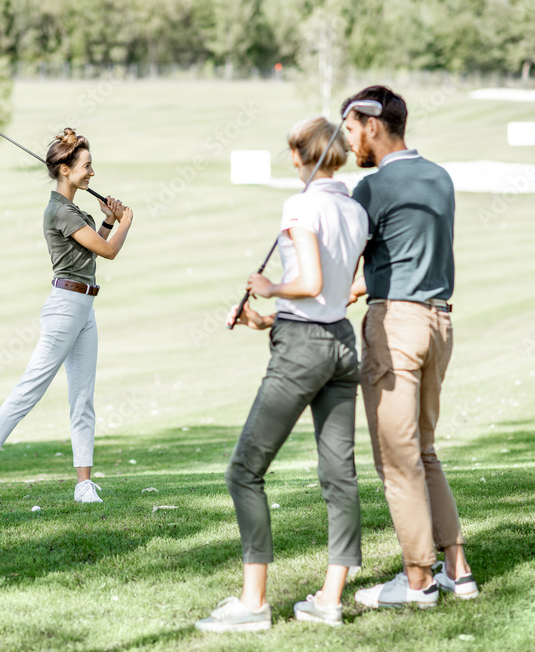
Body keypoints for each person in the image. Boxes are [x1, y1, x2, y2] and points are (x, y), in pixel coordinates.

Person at [196, 116, 368, 632]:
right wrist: (263, 317)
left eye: (291, 153)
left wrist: (270, 287)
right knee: (340, 474)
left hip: (302, 350)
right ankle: (330, 600)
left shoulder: (300, 204)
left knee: (243, 470)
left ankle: (253, 606)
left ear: (301, 155)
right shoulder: (356, 210)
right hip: (341, 344)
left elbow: (310, 280)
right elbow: (336, 293)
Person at [342, 85, 478, 609]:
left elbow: (343, 269)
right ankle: (456, 568)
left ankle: (418, 581)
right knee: (423, 450)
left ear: (373, 125)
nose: (350, 141)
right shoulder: (439, 177)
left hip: (395, 327)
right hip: (438, 324)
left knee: (396, 461)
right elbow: (402, 257)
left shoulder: (371, 188)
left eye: (352, 129)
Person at [0, 128, 133, 505]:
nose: (91, 173)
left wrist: (105, 220)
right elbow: (107, 251)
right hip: (65, 308)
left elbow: (89, 251)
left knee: (83, 397)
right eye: (86, 166)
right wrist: (124, 223)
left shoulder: (75, 211)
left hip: (84, 307)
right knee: (30, 389)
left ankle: (84, 484)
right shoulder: (59, 210)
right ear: (65, 169)